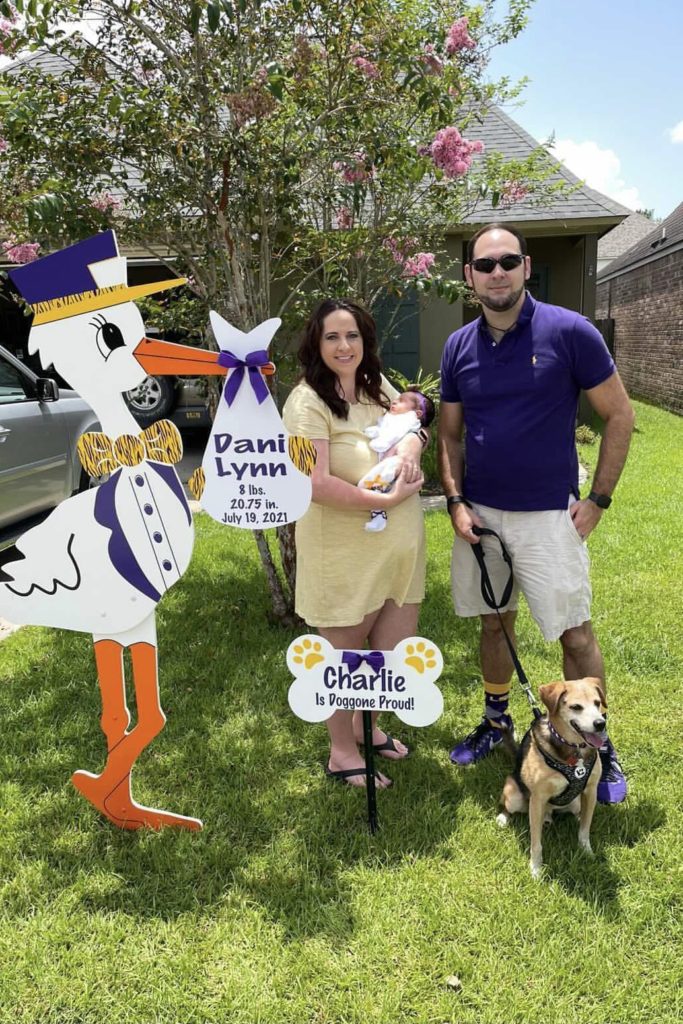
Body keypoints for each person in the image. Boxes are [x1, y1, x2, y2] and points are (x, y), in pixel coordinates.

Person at [438, 222, 635, 804]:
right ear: (470, 276)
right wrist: (454, 500)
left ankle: (599, 742)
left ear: (525, 266)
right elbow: (449, 436)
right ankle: (497, 718)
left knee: (574, 633)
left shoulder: (570, 332)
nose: (496, 272)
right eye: (484, 264)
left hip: (550, 516)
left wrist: (597, 500)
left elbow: (619, 416)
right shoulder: (458, 346)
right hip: (482, 515)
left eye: (507, 261)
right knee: (494, 621)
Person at [283, 299, 427, 789]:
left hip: (397, 554)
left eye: (353, 336)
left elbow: (413, 425)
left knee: (386, 655)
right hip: (342, 556)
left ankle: (370, 729)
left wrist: (411, 444)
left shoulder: (376, 386)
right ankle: (342, 752)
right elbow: (313, 483)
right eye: (332, 337)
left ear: (366, 342)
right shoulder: (305, 403)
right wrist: (381, 499)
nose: (344, 346)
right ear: (315, 344)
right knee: (344, 659)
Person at [358, 388, 436, 532]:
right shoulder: (308, 401)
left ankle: (373, 496)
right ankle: (377, 507)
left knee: (382, 476)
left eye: (400, 400)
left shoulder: (407, 419)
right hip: (338, 541)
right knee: (378, 485)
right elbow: (315, 482)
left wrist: (417, 439)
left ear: (417, 414)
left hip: (396, 464)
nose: (394, 400)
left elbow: (424, 429)